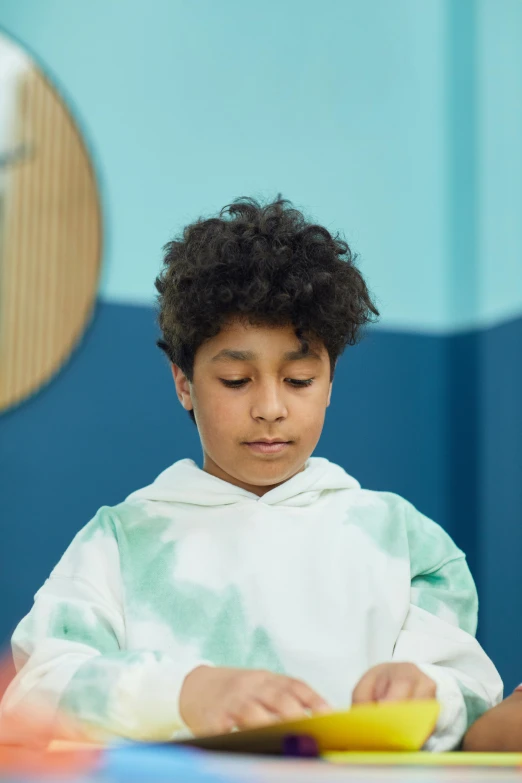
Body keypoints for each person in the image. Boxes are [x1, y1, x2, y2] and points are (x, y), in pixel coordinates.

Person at [1, 198, 502, 749]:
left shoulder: (403, 541)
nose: (270, 407)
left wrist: (431, 690)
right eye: (237, 380)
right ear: (184, 383)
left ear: (331, 381)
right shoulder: (119, 542)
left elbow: (476, 693)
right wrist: (186, 694)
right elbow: (37, 691)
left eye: (300, 380)